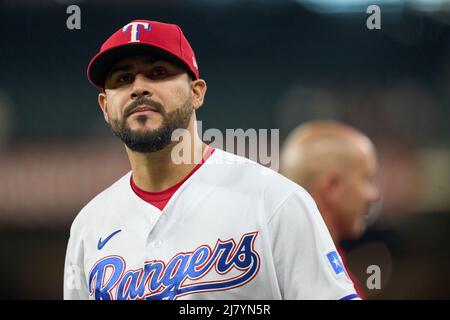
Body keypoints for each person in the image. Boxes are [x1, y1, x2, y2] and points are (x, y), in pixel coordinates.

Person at [63, 20, 359, 300]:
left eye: (158, 72)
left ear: (197, 93)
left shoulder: (274, 201)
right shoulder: (88, 228)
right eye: (123, 78)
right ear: (105, 106)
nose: (138, 87)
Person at [280, 120, 381, 298]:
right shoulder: (318, 274)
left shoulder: (281, 261)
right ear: (332, 186)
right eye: (366, 178)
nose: (373, 195)